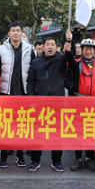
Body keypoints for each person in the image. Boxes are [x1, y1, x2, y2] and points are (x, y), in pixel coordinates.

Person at [0, 22, 35, 168]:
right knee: (5, 127)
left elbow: (33, 73)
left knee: (21, 126)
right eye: (13, 31)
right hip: (6, 95)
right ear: (9, 33)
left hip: (23, 95)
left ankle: (20, 155)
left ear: (21, 32)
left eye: (18, 30)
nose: (16, 33)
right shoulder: (0, 50)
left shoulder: (30, 50)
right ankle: (3, 156)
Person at [26, 38, 68, 172]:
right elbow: (30, 82)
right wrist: (31, 100)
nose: (50, 47)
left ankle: (56, 161)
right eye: (47, 45)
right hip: (39, 103)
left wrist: (69, 41)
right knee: (37, 132)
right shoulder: (36, 62)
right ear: (42, 47)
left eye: (53, 45)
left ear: (57, 48)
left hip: (57, 102)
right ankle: (35, 160)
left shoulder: (61, 60)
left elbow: (72, 62)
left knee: (57, 132)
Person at [65, 35, 95, 171]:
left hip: (94, 103)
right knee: (78, 131)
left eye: (90, 49)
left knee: (91, 131)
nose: (88, 52)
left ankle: (89, 158)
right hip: (78, 102)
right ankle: (77, 158)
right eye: (85, 49)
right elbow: (69, 59)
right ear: (81, 50)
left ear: (94, 51)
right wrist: (69, 42)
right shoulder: (76, 64)